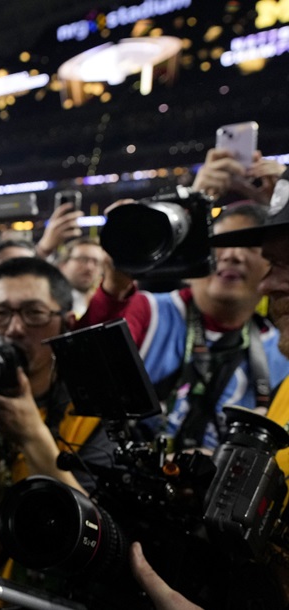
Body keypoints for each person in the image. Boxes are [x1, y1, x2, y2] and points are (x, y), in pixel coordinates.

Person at [128, 168, 289, 610]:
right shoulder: (152, 312)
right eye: (220, 245)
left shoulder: (276, 352)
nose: (268, 282)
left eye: (279, 263)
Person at [0, 256, 114, 576]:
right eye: (0, 314)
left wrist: (31, 435)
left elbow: (96, 540)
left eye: (34, 313)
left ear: (66, 323)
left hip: (39, 585)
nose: (14, 329)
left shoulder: (92, 411)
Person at [83, 202, 289, 452]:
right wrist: (115, 284)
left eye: (248, 246)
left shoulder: (281, 350)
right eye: (220, 243)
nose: (232, 255)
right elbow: (87, 370)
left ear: (272, 265)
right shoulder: (147, 311)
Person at [56, 236, 106, 317]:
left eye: (96, 262)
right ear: (63, 265)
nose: (89, 267)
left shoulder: (104, 304)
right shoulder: (50, 299)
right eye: (83, 259)